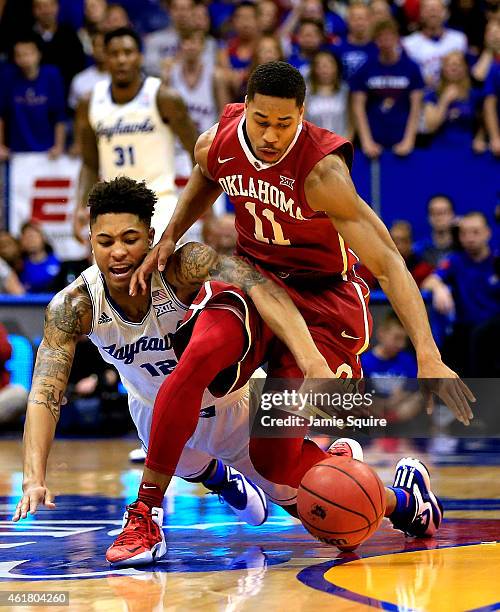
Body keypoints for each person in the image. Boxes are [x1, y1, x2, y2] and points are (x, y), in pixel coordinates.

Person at [119, 60, 475, 565]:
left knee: (275, 460)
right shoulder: (217, 141)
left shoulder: (323, 171)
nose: (270, 135)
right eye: (261, 121)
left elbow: (390, 265)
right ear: (246, 108)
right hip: (256, 281)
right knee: (197, 356)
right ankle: (145, 513)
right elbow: (205, 174)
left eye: (285, 124)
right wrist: (173, 232)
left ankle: (402, 499)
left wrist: (428, 354)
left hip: (324, 301)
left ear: (302, 115)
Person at [13, 176, 360, 564]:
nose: (118, 253)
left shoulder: (181, 266)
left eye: (130, 239)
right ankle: (218, 481)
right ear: (88, 241)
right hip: (153, 411)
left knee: (328, 515)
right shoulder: (73, 306)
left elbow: (257, 284)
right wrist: (33, 476)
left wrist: (308, 354)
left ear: (151, 236)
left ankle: (398, 498)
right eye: (105, 242)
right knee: (188, 461)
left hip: (234, 405)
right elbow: (45, 393)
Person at [73, 27, 198, 243]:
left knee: (156, 274)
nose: (121, 60)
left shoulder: (165, 98)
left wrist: (204, 209)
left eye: (128, 53)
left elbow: (197, 152)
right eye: (114, 54)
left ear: (140, 57)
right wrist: (80, 207)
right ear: (104, 57)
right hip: (112, 208)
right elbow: (90, 164)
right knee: (111, 274)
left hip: (160, 203)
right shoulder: (89, 103)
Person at [422, 212, 500, 376]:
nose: (469, 238)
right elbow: (429, 281)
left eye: (475, 232)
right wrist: (439, 288)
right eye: (464, 233)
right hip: (465, 330)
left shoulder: (496, 260)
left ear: (488, 233)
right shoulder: (455, 261)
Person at [351, 19, 424, 158]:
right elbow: (358, 106)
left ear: (397, 38)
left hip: (402, 137)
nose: (386, 41)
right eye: (381, 37)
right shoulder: (366, 68)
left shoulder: (411, 67)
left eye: (389, 36)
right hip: (374, 139)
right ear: (375, 41)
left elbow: (416, 106)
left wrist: (409, 140)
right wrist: (366, 141)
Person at [0, 35, 66, 161]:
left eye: (28, 53)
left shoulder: (51, 75)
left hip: (48, 152)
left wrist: (59, 146)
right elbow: (1, 113)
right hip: (16, 152)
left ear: (38, 54)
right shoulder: (8, 76)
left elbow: (59, 115)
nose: (24, 59)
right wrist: (1, 145)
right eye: (19, 55)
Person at [423, 51, 482, 149]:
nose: (454, 68)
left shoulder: (474, 94)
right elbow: (431, 127)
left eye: (458, 65)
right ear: (442, 69)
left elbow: (484, 121)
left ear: (465, 68)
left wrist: (480, 138)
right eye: (449, 64)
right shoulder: (432, 95)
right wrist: (444, 100)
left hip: (469, 149)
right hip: (439, 148)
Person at [402, 0, 467, 88]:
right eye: (428, 9)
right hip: (422, 94)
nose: (432, 12)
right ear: (420, 14)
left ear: (445, 13)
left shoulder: (459, 39)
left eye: (436, 9)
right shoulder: (408, 44)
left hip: (454, 94)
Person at [306, 50, 351, 138]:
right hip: (313, 146)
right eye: (320, 65)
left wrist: (344, 146)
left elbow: (351, 123)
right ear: (314, 69)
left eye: (329, 65)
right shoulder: (305, 92)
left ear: (337, 67)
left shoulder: (346, 90)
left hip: (341, 146)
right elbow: (301, 124)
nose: (324, 69)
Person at [19, 221, 61, 293]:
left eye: (33, 236)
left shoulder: (58, 262)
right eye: (27, 237)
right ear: (22, 241)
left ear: (43, 238)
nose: (31, 240)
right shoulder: (19, 266)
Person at [390, 221, 434, 287]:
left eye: (402, 240)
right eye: (393, 240)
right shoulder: (380, 269)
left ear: (410, 242)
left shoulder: (423, 270)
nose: (397, 246)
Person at [415, 195, 456, 266]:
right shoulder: (417, 250)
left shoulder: (463, 250)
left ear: (452, 215)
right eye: (434, 213)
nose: (439, 217)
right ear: (428, 217)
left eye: (443, 212)